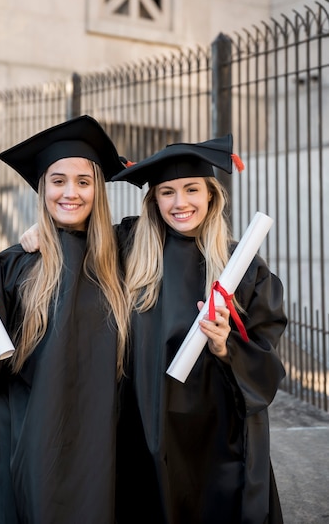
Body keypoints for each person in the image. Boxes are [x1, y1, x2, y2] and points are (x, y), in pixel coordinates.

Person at [0, 115, 130, 524]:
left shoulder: (123, 260)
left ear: (98, 191)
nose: (71, 192)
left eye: (84, 182)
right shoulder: (11, 265)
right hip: (25, 444)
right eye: (58, 180)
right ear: (42, 188)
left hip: (102, 448)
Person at [111, 134, 287, 524]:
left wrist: (227, 345)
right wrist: (38, 235)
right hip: (145, 422)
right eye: (167, 192)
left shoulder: (242, 267)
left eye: (192, 189)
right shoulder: (127, 249)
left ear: (211, 195)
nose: (180, 203)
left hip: (217, 433)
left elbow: (266, 359)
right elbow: (76, 244)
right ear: (154, 200)